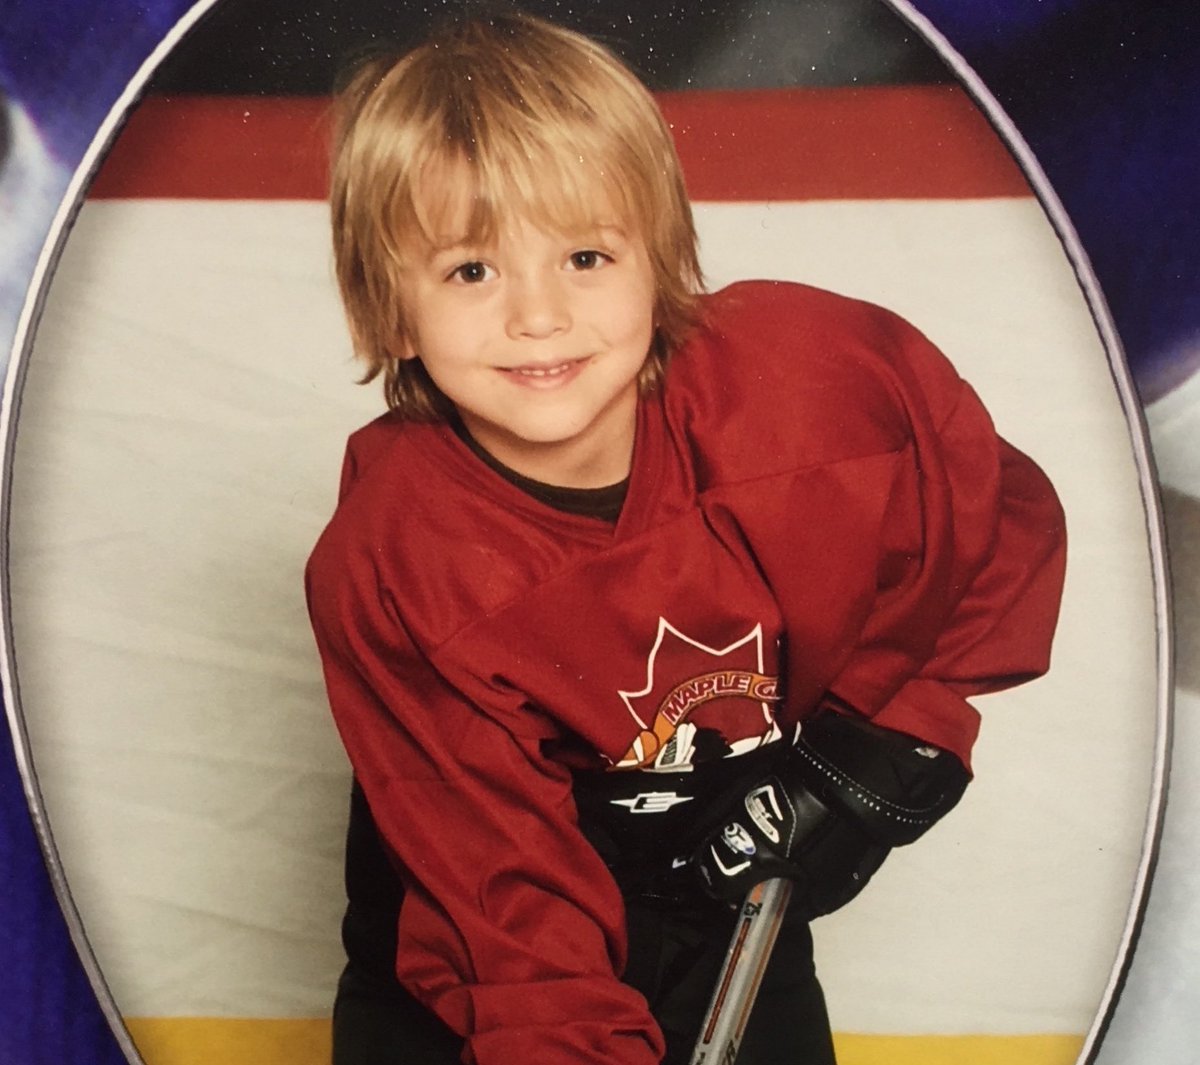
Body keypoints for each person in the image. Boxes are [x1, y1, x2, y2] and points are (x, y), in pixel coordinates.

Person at [304, 11, 1067, 1065]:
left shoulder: (809, 393)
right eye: (470, 271)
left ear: (658, 260)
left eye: (584, 254)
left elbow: (991, 521)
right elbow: (509, 913)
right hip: (481, 947)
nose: (537, 315)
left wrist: (882, 746)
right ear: (389, 310)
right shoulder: (400, 559)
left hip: (736, 897)